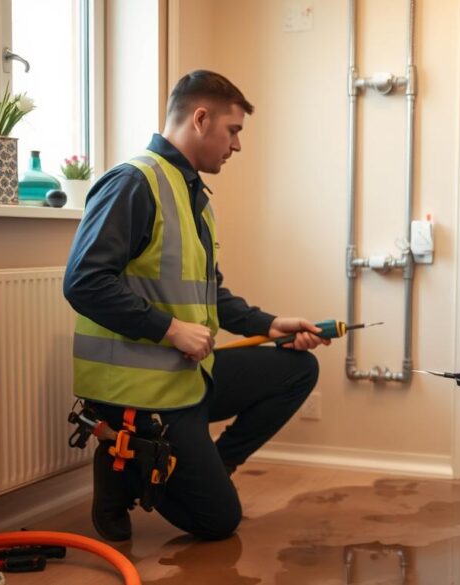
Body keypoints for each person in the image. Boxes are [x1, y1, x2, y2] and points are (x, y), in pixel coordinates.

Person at [63, 70, 328, 542]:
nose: (237, 145)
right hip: (137, 390)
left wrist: (271, 324)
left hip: (182, 376)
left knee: (297, 369)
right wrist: (170, 330)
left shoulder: (193, 196)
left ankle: (201, 468)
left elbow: (209, 296)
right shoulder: (134, 183)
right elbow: (83, 282)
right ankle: (122, 466)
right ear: (201, 119)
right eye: (234, 130)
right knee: (218, 523)